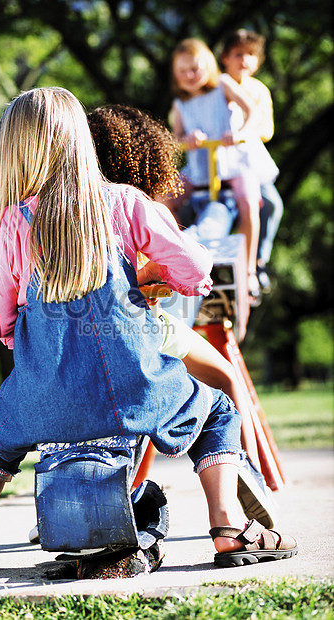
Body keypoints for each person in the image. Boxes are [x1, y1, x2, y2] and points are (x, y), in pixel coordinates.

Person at [0, 87, 297, 575]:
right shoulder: (125, 203)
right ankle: (228, 527)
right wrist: (167, 278)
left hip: (43, 399)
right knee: (219, 410)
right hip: (137, 389)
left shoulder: (14, 223)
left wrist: (29, 342)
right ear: (80, 140)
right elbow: (194, 267)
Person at [87, 104, 264, 472]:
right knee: (226, 379)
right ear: (148, 156)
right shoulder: (138, 205)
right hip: (139, 326)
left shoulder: (61, 209)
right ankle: (247, 474)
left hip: (73, 332)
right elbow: (193, 270)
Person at [167, 38, 279, 304]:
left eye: (195, 69)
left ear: (207, 66)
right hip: (201, 168)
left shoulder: (223, 86)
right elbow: (175, 139)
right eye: (183, 71)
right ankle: (173, 257)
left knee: (250, 202)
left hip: (233, 162)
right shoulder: (179, 105)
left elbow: (252, 112)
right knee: (165, 197)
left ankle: (250, 268)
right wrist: (187, 140)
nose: (189, 76)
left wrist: (240, 133)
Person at [219, 29, 284, 293]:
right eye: (238, 54)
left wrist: (241, 133)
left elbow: (267, 130)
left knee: (271, 205)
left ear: (258, 61)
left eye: (250, 55)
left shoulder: (258, 90)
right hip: (218, 160)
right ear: (225, 57)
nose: (244, 60)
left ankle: (258, 261)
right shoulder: (215, 86)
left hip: (248, 162)